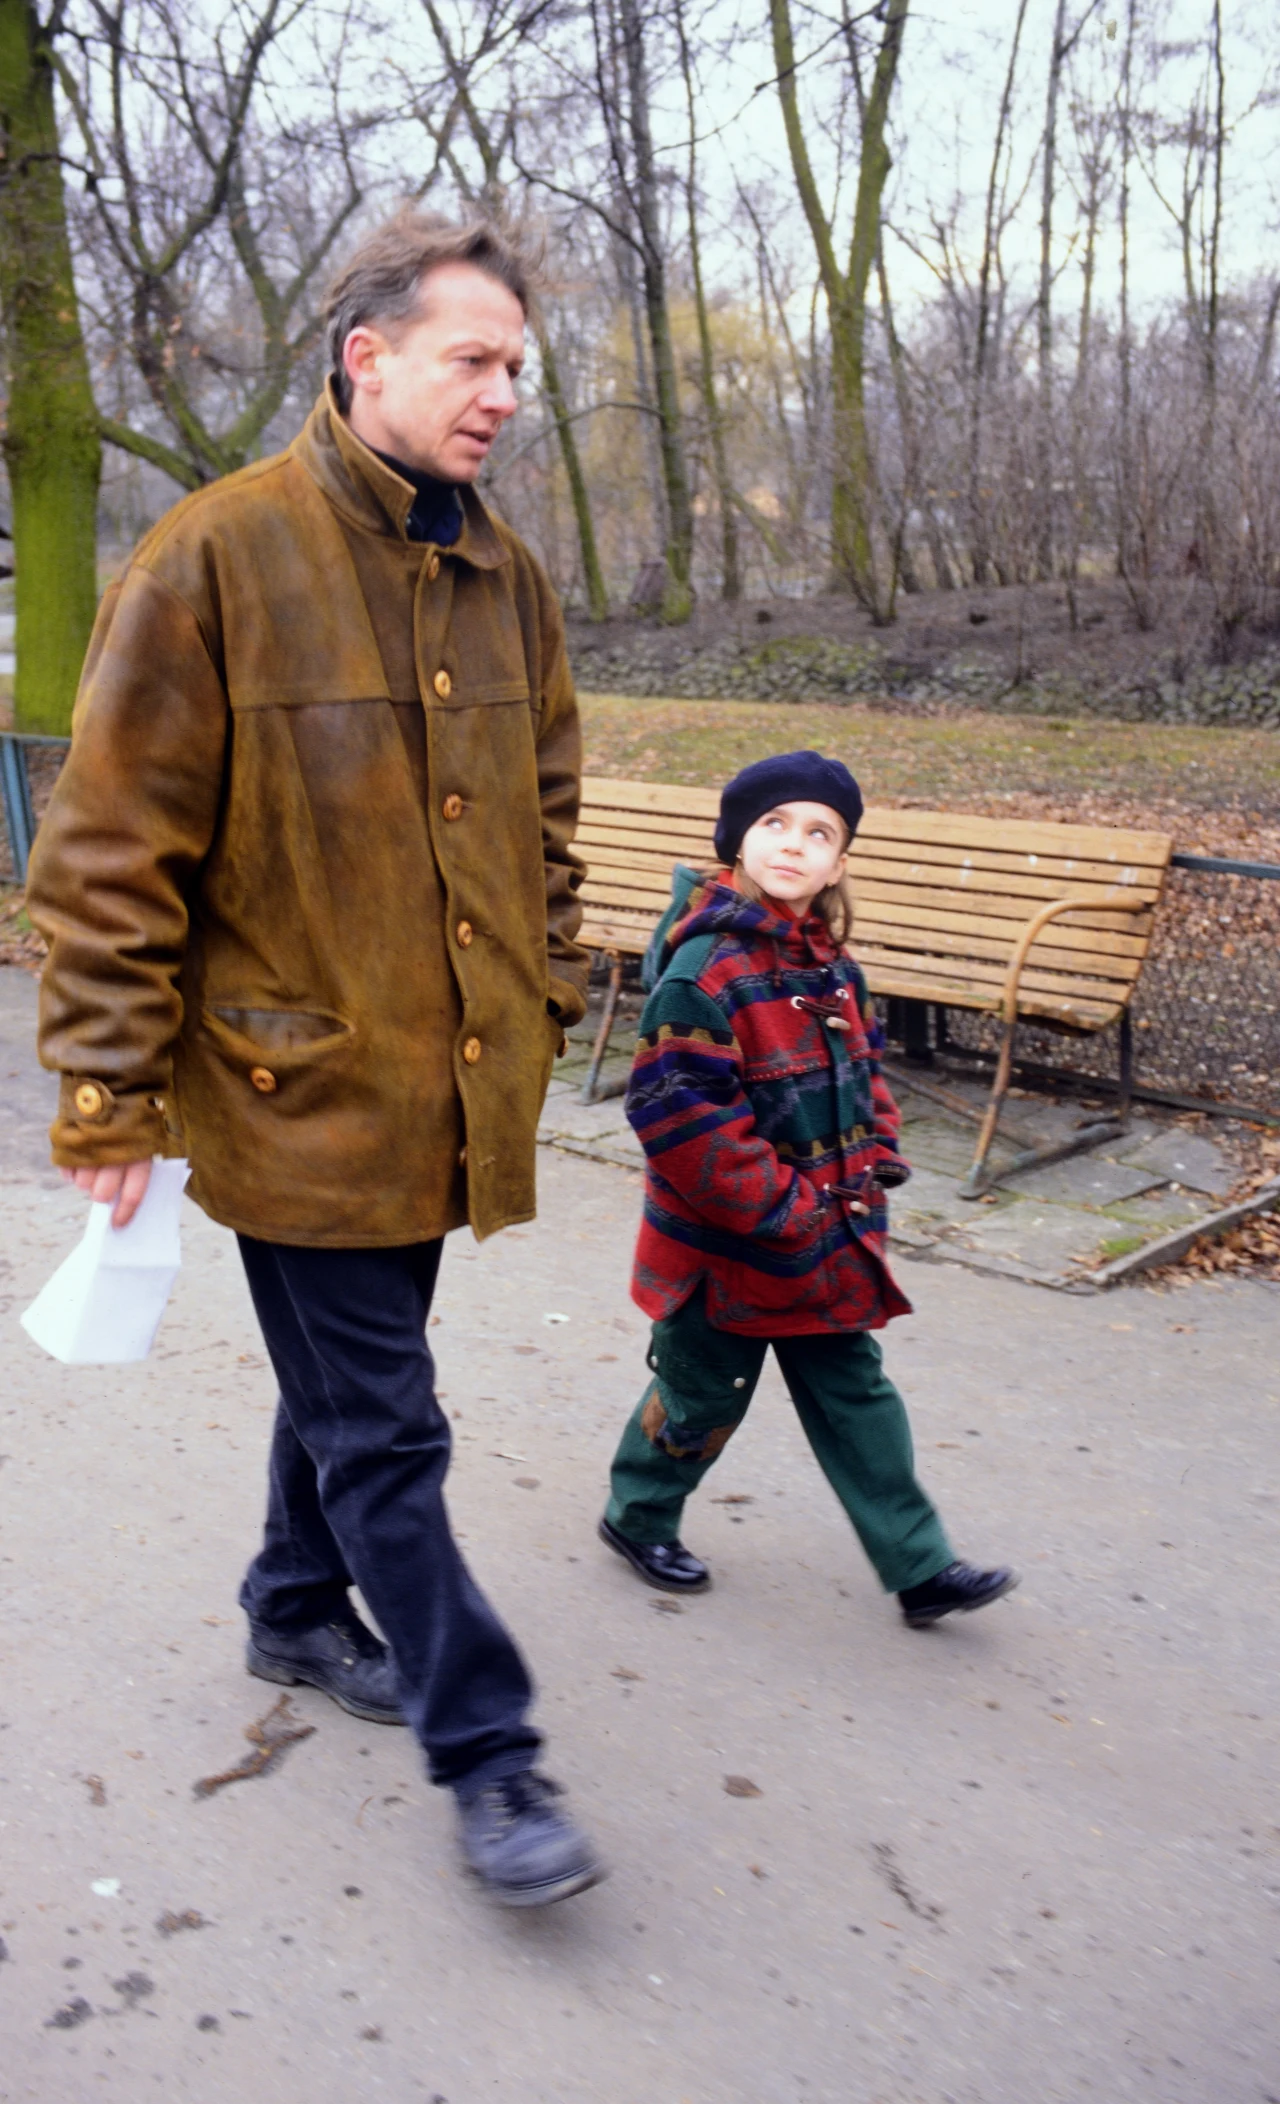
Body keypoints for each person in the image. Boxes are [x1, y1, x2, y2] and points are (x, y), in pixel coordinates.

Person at [26, 209, 604, 1908]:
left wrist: (549, 992)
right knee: (389, 1423)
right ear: (367, 356)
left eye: (518, 364)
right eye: (474, 359)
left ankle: (291, 1603)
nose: (508, 391)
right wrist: (108, 1091)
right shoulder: (213, 558)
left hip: (449, 1089)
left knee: (356, 1392)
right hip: (290, 1091)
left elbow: (552, 813)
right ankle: (490, 1753)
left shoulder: (507, 572)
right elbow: (107, 850)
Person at [598, 750, 1017, 1627]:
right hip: (728, 1247)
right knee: (701, 1395)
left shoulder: (831, 965)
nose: (794, 846)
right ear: (738, 840)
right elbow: (679, 1114)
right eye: (774, 826)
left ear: (840, 861)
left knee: (858, 1393)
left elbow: (865, 1070)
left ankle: (919, 1564)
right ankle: (638, 1515)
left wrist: (881, 1151)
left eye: (818, 833)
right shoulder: (703, 969)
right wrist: (782, 1209)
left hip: (827, 1238)